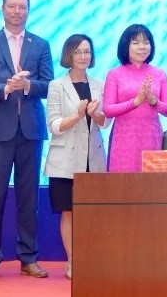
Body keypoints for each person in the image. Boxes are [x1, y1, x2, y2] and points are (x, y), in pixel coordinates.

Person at [0, 0, 53, 282]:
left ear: (28, 11)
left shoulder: (40, 44)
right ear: (2, 9)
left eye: (22, 7)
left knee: (29, 198)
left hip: (30, 130)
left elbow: (49, 85)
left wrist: (27, 86)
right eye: (12, 6)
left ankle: (29, 258)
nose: (17, 11)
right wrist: (6, 87)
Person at [44, 34, 108, 280]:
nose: (84, 56)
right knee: (68, 212)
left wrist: (96, 114)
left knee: (90, 212)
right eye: (79, 52)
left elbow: (104, 121)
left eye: (87, 52)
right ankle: (72, 262)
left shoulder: (99, 84)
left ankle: (90, 258)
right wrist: (79, 116)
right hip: (65, 161)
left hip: (93, 158)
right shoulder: (56, 85)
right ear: (68, 55)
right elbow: (54, 125)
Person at [102, 24, 167, 172]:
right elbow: (108, 110)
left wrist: (154, 102)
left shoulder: (160, 74)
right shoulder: (114, 74)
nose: (142, 47)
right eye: (136, 43)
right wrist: (135, 102)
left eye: (146, 42)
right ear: (125, 46)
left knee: (151, 187)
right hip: (123, 140)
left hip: (151, 137)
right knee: (123, 187)